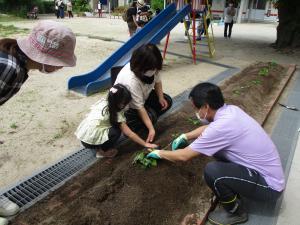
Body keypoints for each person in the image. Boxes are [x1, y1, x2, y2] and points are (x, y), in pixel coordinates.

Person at [147, 82, 285, 225]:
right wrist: (186, 136)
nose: (196, 112)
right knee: (218, 152)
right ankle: (233, 188)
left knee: (212, 171)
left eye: (196, 108)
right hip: (263, 174)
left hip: (269, 187)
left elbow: (184, 156)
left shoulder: (222, 127)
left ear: (206, 107)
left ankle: (236, 212)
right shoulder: (231, 111)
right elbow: (210, 127)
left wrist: (160, 153)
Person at [0, 20, 76, 224]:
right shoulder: (9, 68)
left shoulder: (16, 62)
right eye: (61, 63)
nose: (61, 68)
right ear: (48, 59)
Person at [75, 84, 158, 158]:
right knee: (116, 131)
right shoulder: (116, 114)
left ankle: (97, 143)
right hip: (89, 142)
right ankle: (102, 152)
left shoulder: (104, 102)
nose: (126, 105)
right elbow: (129, 134)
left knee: (112, 127)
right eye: (125, 103)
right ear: (120, 103)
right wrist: (145, 144)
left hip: (84, 136)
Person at [114, 44, 172, 144]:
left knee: (167, 101)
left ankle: (147, 120)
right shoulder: (131, 80)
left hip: (143, 96)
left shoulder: (153, 66)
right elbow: (139, 107)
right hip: (129, 106)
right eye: (151, 69)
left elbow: (157, 81)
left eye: (155, 68)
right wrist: (151, 128)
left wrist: (161, 97)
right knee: (150, 117)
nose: (154, 71)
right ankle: (135, 126)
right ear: (141, 66)